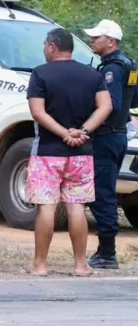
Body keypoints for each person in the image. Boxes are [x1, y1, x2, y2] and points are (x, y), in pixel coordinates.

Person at [25, 28, 112, 277]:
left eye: (44, 45)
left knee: (47, 207)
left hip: (47, 152)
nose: (44, 49)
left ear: (52, 46)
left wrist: (63, 133)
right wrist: (82, 131)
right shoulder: (91, 74)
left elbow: (38, 112)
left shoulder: (40, 74)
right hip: (82, 153)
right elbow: (105, 106)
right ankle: (80, 264)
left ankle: (40, 264)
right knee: (76, 207)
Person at [84, 20, 135, 269]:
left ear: (110, 41)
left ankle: (107, 253)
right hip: (118, 135)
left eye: (97, 37)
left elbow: (110, 104)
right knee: (105, 191)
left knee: (102, 193)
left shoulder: (112, 69)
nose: (92, 40)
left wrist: (87, 126)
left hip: (105, 137)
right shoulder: (128, 63)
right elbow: (132, 101)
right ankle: (105, 250)